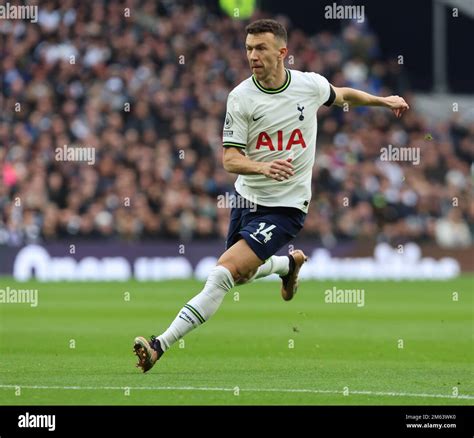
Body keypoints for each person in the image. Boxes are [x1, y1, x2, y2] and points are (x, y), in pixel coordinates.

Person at [133, 19, 409, 372]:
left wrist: (383, 101)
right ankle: (287, 264)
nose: (252, 55)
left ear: (282, 52)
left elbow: (342, 95)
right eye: (248, 49)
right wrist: (263, 167)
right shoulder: (241, 97)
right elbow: (229, 159)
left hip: (286, 206)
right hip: (247, 200)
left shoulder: (308, 86)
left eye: (260, 48)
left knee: (222, 275)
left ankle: (159, 345)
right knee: (243, 275)